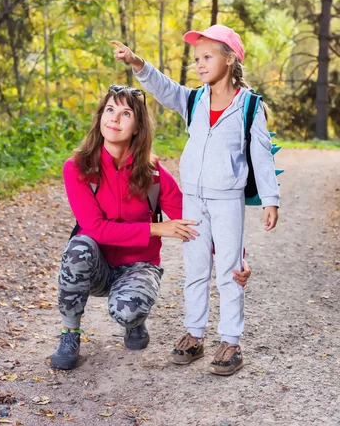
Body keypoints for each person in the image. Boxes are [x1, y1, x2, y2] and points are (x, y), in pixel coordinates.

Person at [111, 24, 279, 376]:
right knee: (196, 268)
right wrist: (137, 63)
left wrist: (270, 200)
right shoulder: (195, 99)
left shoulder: (250, 106)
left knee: (231, 268)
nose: (200, 64)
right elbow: (163, 88)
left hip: (227, 198)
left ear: (230, 59)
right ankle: (194, 333)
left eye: (207, 56)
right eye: (196, 59)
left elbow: (262, 157)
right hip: (194, 198)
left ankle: (231, 340)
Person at [51, 84, 251, 370]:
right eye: (109, 110)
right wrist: (156, 229)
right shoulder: (78, 167)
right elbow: (94, 228)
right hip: (97, 266)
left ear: (137, 127)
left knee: (128, 311)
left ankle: (135, 323)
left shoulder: (153, 173)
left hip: (139, 267)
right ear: (100, 118)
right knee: (79, 246)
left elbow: (195, 220)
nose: (114, 119)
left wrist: (238, 258)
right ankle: (70, 333)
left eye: (125, 113)